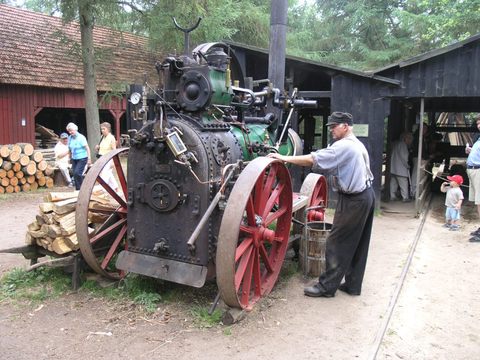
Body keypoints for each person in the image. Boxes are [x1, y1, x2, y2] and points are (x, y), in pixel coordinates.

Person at [268, 111, 375, 297]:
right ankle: (353, 285)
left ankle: (326, 288)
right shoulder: (357, 144)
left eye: (334, 126)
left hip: (354, 200)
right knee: (358, 242)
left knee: (336, 242)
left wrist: (283, 158)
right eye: (331, 126)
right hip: (366, 195)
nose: (332, 129)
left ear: (346, 126)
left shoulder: (344, 146)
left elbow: (313, 159)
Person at [466, 116, 480, 242]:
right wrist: (470, 151)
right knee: (477, 201)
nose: (479, 125)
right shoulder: (478, 138)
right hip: (473, 170)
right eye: (478, 123)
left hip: (479, 170)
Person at [66, 122, 91, 190]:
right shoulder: (70, 138)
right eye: (69, 131)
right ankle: (78, 189)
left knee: (77, 173)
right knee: (74, 173)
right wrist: (69, 158)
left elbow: (87, 148)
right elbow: (69, 148)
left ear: (75, 129)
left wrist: (89, 159)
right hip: (74, 158)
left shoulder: (81, 137)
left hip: (82, 158)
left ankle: (83, 188)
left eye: (71, 130)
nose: (70, 132)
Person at [95, 122, 119, 192]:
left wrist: (113, 162)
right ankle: (115, 187)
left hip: (109, 158)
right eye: (101, 129)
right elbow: (102, 146)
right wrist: (98, 147)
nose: (102, 130)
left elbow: (114, 150)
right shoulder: (102, 137)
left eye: (104, 129)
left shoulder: (112, 138)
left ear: (108, 129)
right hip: (102, 157)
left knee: (105, 174)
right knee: (108, 173)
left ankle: (103, 189)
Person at [390, 132, 413, 201]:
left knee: (393, 183)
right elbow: (404, 158)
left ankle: (392, 196)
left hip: (394, 168)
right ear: (405, 139)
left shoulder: (396, 143)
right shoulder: (403, 145)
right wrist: (407, 165)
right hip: (401, 169)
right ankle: (405, 197)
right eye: (410, 139)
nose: (410, 141)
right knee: (404, 183)